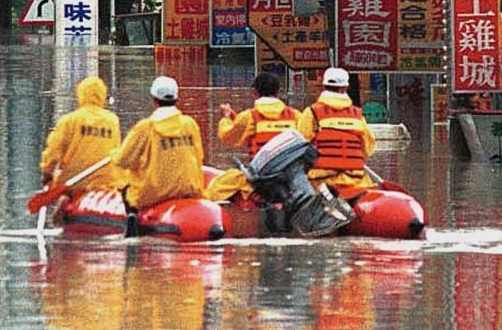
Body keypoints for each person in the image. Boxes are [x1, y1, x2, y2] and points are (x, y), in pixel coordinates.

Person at [110, 75, 205, 231]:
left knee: (127, 189)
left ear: (154, 99)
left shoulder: (145, 127)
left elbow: (123, 160)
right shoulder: (190, 124)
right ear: (176, 98)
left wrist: (113, 153)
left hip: (154, 192)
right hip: (189, 188)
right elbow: (199, 156)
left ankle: (132, 221)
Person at [205, 71, 300, 205]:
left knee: (218, 186)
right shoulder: (296, 115)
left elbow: (228, 137)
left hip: (261, 178)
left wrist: (226, 118)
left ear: (254, 92)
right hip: (288, 176)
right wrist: (234, 116)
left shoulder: (249, 116)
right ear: (278, 91)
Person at [38, 75, 125, 195]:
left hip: (75, 180)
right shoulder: (113, 121)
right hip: (107, 181)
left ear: (81, 94)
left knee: (60, 189)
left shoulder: (70, 120)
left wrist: (47, 173)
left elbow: (53, 151)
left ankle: (63, 205)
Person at [297, 67, 376, 195]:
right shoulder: (357, 115)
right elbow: (368, 149)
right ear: (345, 88)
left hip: (320, 182)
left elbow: (300, 147)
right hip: (355, 181)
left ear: (324, 87)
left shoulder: (312, 112)